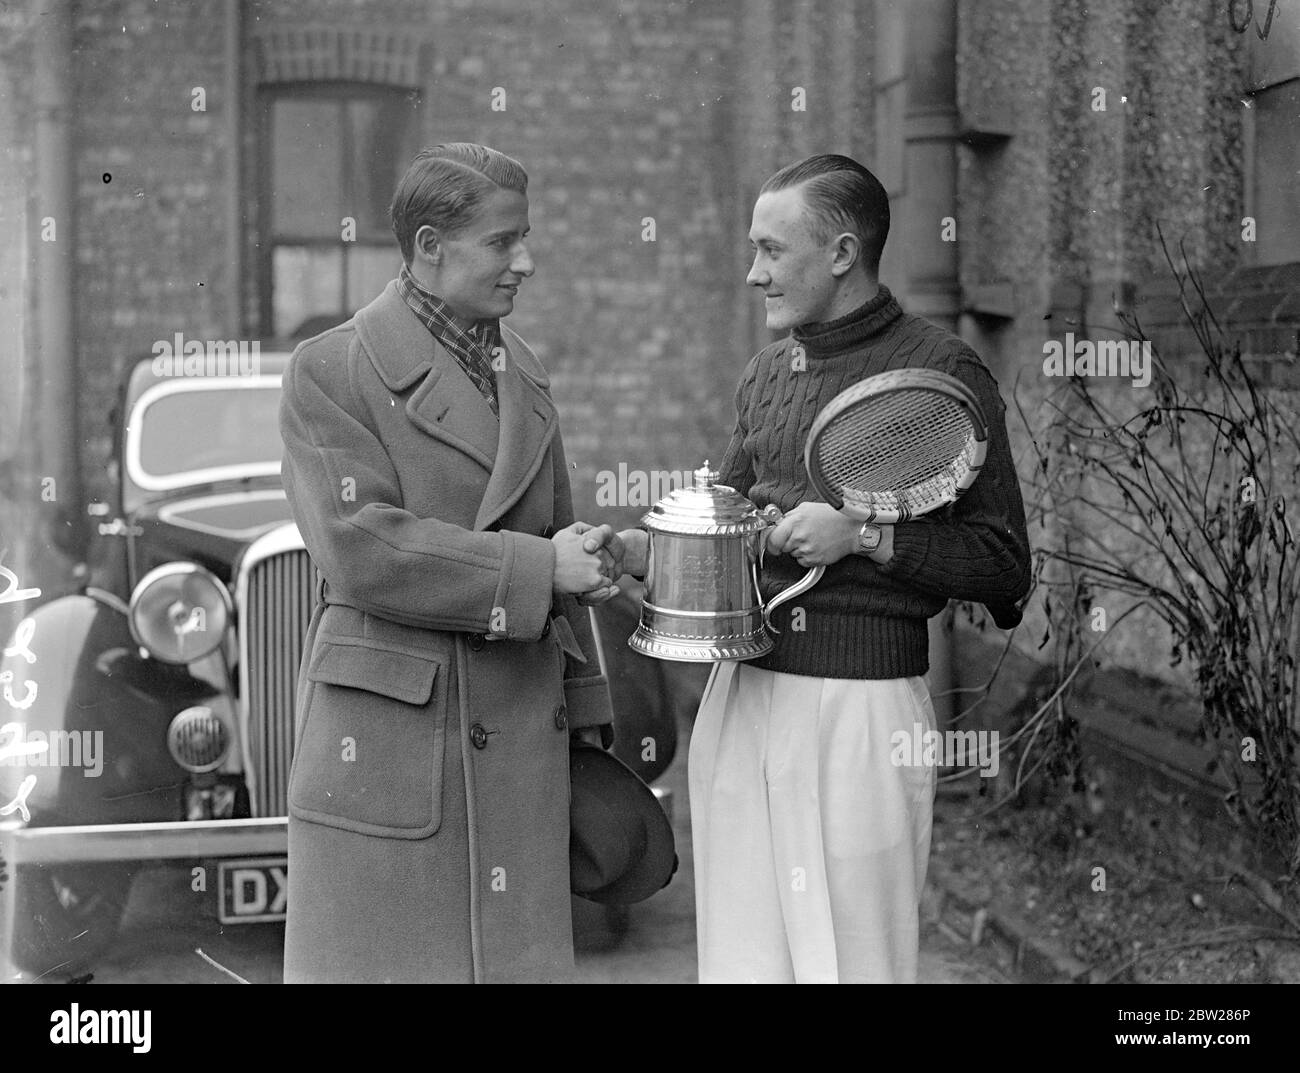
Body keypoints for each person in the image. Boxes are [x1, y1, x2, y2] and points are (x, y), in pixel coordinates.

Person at [617, 153, 1031, 983]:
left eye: (772, 251)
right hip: (742, 703)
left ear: (842, 253)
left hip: (862, 714)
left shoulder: (943, 371)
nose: (753, 272)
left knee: (855, 966)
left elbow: (1005, 569)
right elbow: (726, 526)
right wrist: (638, 553)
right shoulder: (767, 373)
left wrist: (866, 535)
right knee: (744, 966)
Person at [279, 143, 621, 983]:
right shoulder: (331, 370)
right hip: (397, 753)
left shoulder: (523, 371)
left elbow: (558, 528)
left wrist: (585, 718)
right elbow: (362, 549)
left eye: (525, 238)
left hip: (522, 751)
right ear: (429, 247)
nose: (526, 262)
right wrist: (540, 572)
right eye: (504, 243)